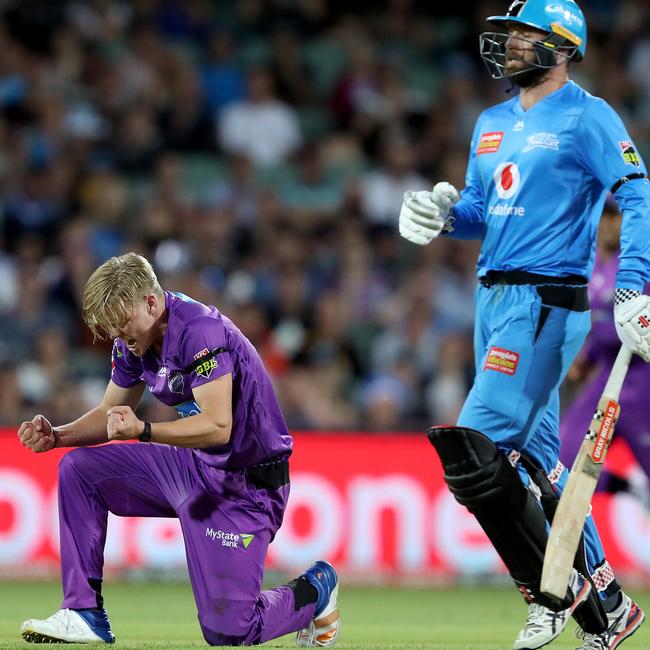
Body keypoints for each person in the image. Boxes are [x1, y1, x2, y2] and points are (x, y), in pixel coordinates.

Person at [398, 1, 649, 649]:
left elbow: (638, 191)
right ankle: (610, 608)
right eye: (506, 35)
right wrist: (446, 214)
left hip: (549, 300)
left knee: (474, 451)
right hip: (493, 299)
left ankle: (551, 594)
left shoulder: (589, 116)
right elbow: (486, 205)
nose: (508, 46)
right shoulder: (489, 122)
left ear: (562, 46)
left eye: (524, 36)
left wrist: (631, 285)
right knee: (540, 463)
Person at [17, 252, 340, 647]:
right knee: (79, 470)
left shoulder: (200, 331)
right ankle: (84, 613)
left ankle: (315, 589)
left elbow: (220, 426)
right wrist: (57, 436)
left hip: (246, 485)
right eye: (113, 332)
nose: (120, 339)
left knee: (230, 630)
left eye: (123, 326)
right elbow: (108, 412)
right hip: (194, 466)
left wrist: (144, 430)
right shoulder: (135, 341)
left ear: (151, 303)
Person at [560, 199, 650, 509]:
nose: (609, 224)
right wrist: (587, 359)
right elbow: (605, 329)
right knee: (565, 458)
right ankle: (628, 488)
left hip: (643, 384)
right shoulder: (593, 266)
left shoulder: (640, 263)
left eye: (616, 216)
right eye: (604, 216)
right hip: (608, 381)